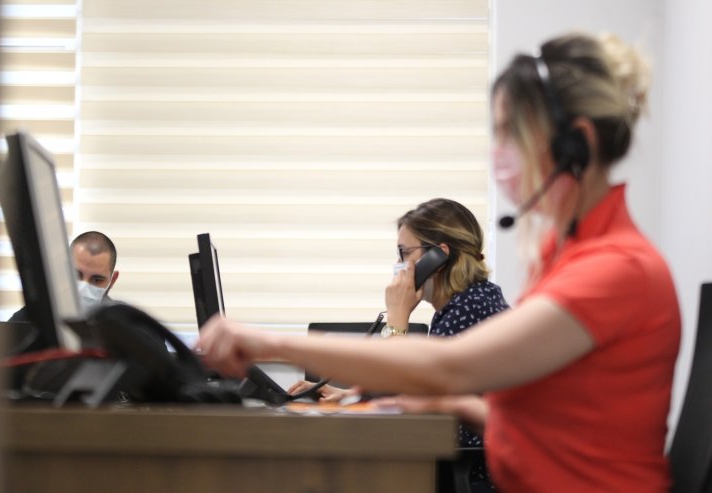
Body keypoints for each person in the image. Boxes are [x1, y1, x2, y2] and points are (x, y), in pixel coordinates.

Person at [198, 31, 681, 493]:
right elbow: (557, 427)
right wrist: (451, 404)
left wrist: (266, 341)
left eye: (512, 135)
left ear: (576, 145)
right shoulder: (572, 260)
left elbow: (451, 364)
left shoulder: (614, 271)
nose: (500, 155)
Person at [288, 198, 509, 490]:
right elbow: (417, 389)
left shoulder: (470, 309)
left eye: (404, 253)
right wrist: (349, 397)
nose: (398, 265)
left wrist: (398, 317)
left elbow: (412, 403)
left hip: (468, 474)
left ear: (438, 256)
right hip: (453, 463)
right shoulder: (471, 301)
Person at [8, 230, 120, 321]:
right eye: (76, 275)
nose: (84, 287)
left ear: (112, 280)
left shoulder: (122, 330)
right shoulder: (28, 321)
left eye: (96, 280)